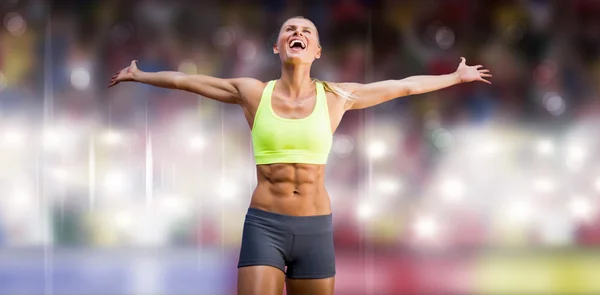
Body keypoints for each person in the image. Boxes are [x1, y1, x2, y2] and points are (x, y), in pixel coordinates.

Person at [109, 16, 491, 295]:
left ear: (317, 50)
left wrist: (454, 78)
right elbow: (189, 81)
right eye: (290, 29)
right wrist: (141, 75)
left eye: (307, 31)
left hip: (314, 229)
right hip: (265, 227)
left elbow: (402, 86)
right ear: (278, 47)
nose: (298, 33)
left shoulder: (336, 96)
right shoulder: (253, 92)